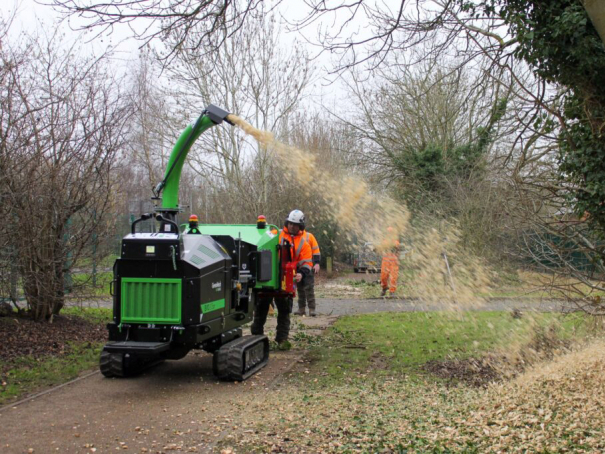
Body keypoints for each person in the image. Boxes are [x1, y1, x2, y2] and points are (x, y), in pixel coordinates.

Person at [251, 209, 313, 348]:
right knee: (260, 311)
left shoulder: (303, 243)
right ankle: (256, 339)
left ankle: (282, 339)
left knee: (284, 312)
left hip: (286, 281)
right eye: (290, 223)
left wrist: (301, 273)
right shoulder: (275, 234)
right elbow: (260, 244)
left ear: (301, 226)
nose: (292, 226)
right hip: (267, 279)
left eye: (295, 225)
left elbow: (307, 263)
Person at [295, 228, 320, 316]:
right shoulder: (293, 237)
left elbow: (316, 250)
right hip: (297, 267)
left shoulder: (309, 236)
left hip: (308, 267)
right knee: (300, 289)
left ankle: (311, 309)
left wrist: (317, 263)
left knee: (309, 288)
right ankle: (301, 309)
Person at [380, 228, 400, 298]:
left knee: (393, 277)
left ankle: (392, 291)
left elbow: (397, 249)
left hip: (394, 262)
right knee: (383, 276)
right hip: (385, 261)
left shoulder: (396, 242)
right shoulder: (384, 241)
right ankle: (384, 288)